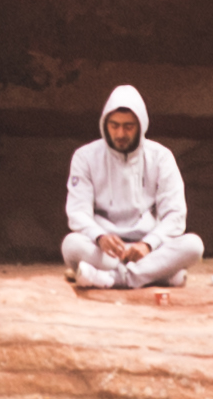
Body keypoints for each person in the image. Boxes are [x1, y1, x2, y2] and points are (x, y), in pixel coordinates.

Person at [62, 85, 198, 290]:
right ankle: (158, 275)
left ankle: (113, 279)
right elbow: (77, 212)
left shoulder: (161, 157)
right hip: (105, 250)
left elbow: (175, 214)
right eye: (114, 125)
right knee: (71, 245)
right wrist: (99, 237)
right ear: (104, 124)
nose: (120, 133)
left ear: (141, 126)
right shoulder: (85, 157)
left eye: (129, 126)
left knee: (193, 246)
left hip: (147, 248)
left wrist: (147, 244)